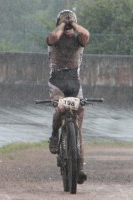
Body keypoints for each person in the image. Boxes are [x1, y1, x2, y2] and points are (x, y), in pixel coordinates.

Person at [46, 9, 90, 184]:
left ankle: (79, 168)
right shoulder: (53, 39)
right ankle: (55, 135)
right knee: (60, 108)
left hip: (74, 83)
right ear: (59, 25)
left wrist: (72, 24)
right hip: (56, 82)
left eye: (71, 24)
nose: (68, 27)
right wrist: (63, 25)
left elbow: (86, 33)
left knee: (78, 128)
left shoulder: (80, 40)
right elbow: (54, 37)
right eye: (65, 24)